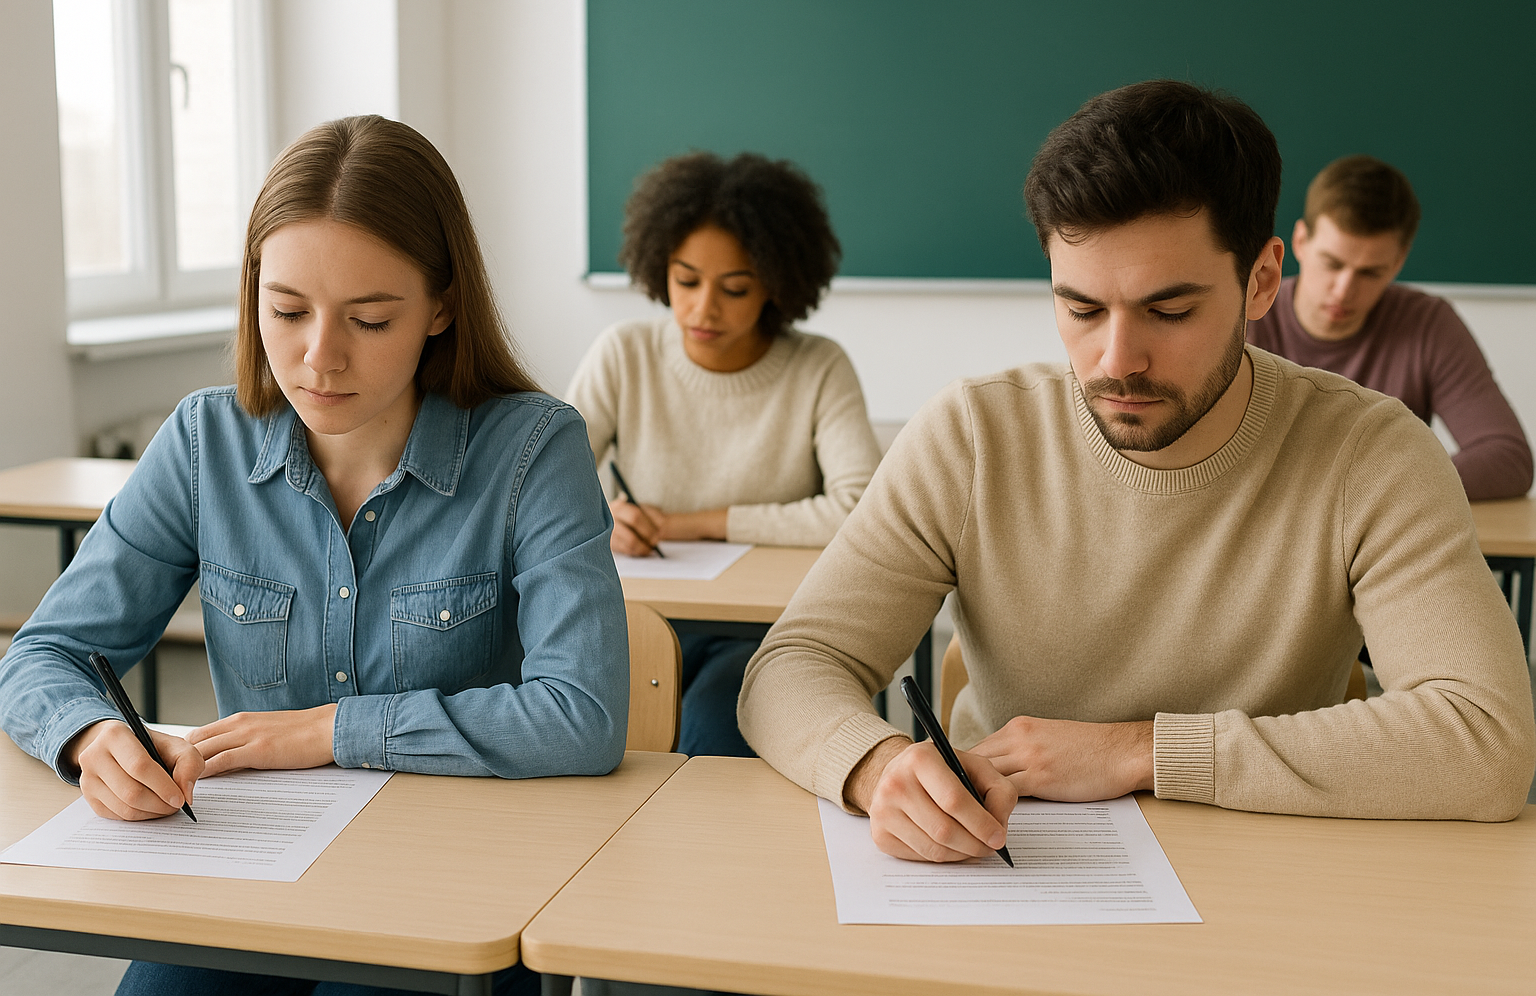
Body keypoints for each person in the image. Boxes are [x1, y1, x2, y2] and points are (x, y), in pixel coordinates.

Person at [738, 81, 1536, 866]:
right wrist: (876, 769)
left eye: (1170, 311)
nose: (1117, 361)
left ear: (1262, 280)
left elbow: (1488, 741)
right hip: (1013, 876)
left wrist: (1143, 753)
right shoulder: (973, 435)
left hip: (1283, 881)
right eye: (1082, 310)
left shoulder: (1375, 454)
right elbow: (791, 668)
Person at [0, 115, 628, 996]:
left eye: (369, 320)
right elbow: (42, 654)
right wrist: (90, 735)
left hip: (450, 888)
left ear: (442, 306)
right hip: (248, 876)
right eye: (287, 311)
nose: (318, 357)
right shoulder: (203, 441)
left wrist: (330, 731)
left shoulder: (533, 450)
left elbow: (582, 715)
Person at [566, 151, 882, 758]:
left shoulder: (818, 368)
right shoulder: (624, 353)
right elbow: (544, 488)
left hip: (768, 630)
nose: (702, 309)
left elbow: (860, 509)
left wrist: (697, 525)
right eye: (686, 281)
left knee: (715, 727)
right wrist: (605, 519)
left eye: (734, 289)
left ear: (777, 285)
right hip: (638, 617)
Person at [1249, 155, 1532, 501]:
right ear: (1300, 242)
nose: (1344, 290)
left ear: (1399, 260)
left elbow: (1509, 457)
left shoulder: (1428, 324)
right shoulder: (1244, 316)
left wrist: (1369, 491)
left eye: (1370, 273)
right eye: (1332, 263)